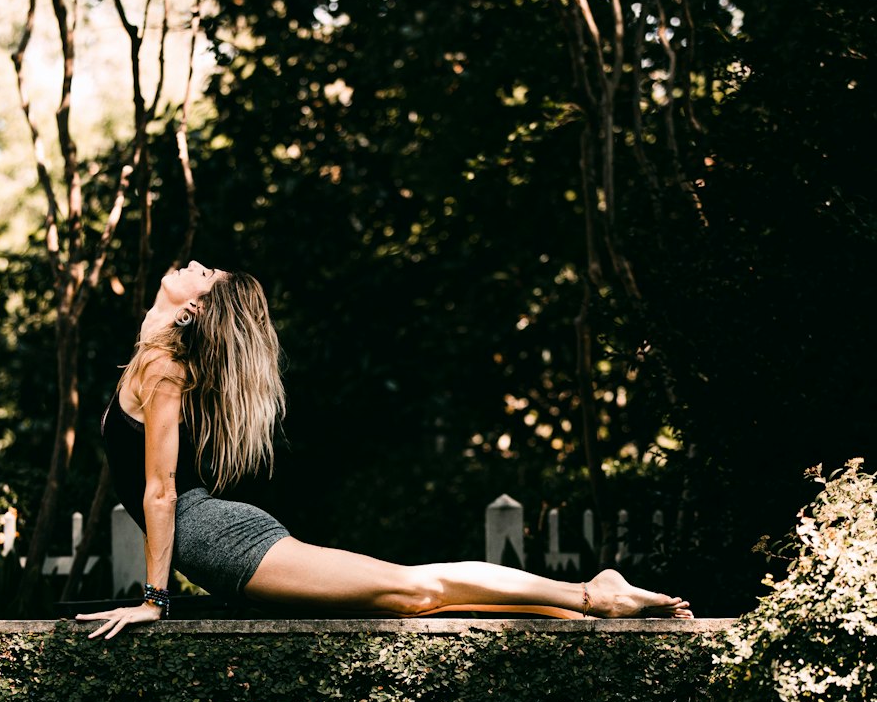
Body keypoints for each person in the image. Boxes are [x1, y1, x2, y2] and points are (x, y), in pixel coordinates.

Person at [79, 261, 692, 639]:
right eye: (206, 272)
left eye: (205, 276)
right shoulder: (156, 353)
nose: (196, 265)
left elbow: (159, 490)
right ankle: (577, 605)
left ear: (196, 309)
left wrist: (154, 602)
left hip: (215, 536)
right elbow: (152, 481)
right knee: (411, 596)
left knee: (409, 590)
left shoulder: (162, 365)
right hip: (209, 535)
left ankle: (592, 593)